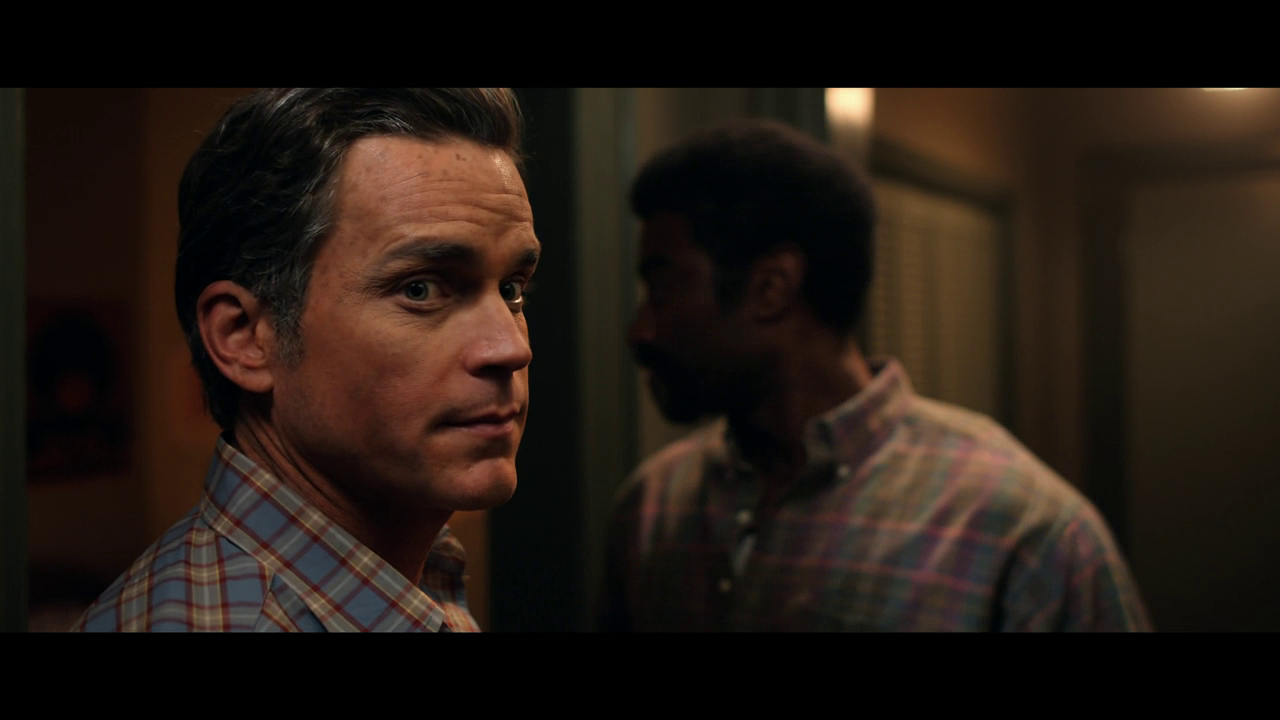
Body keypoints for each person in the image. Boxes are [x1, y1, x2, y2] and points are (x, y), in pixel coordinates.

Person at [597, 119, 1150, 631]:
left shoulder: (1026, 533)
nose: (640, 331)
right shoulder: (653, 507)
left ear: (771, 287)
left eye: (662, 289)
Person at [74, 88, 539, 632]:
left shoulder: (417, 570)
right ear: (244, 337)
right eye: (420, 289)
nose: (511, 348)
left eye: (511, 289)